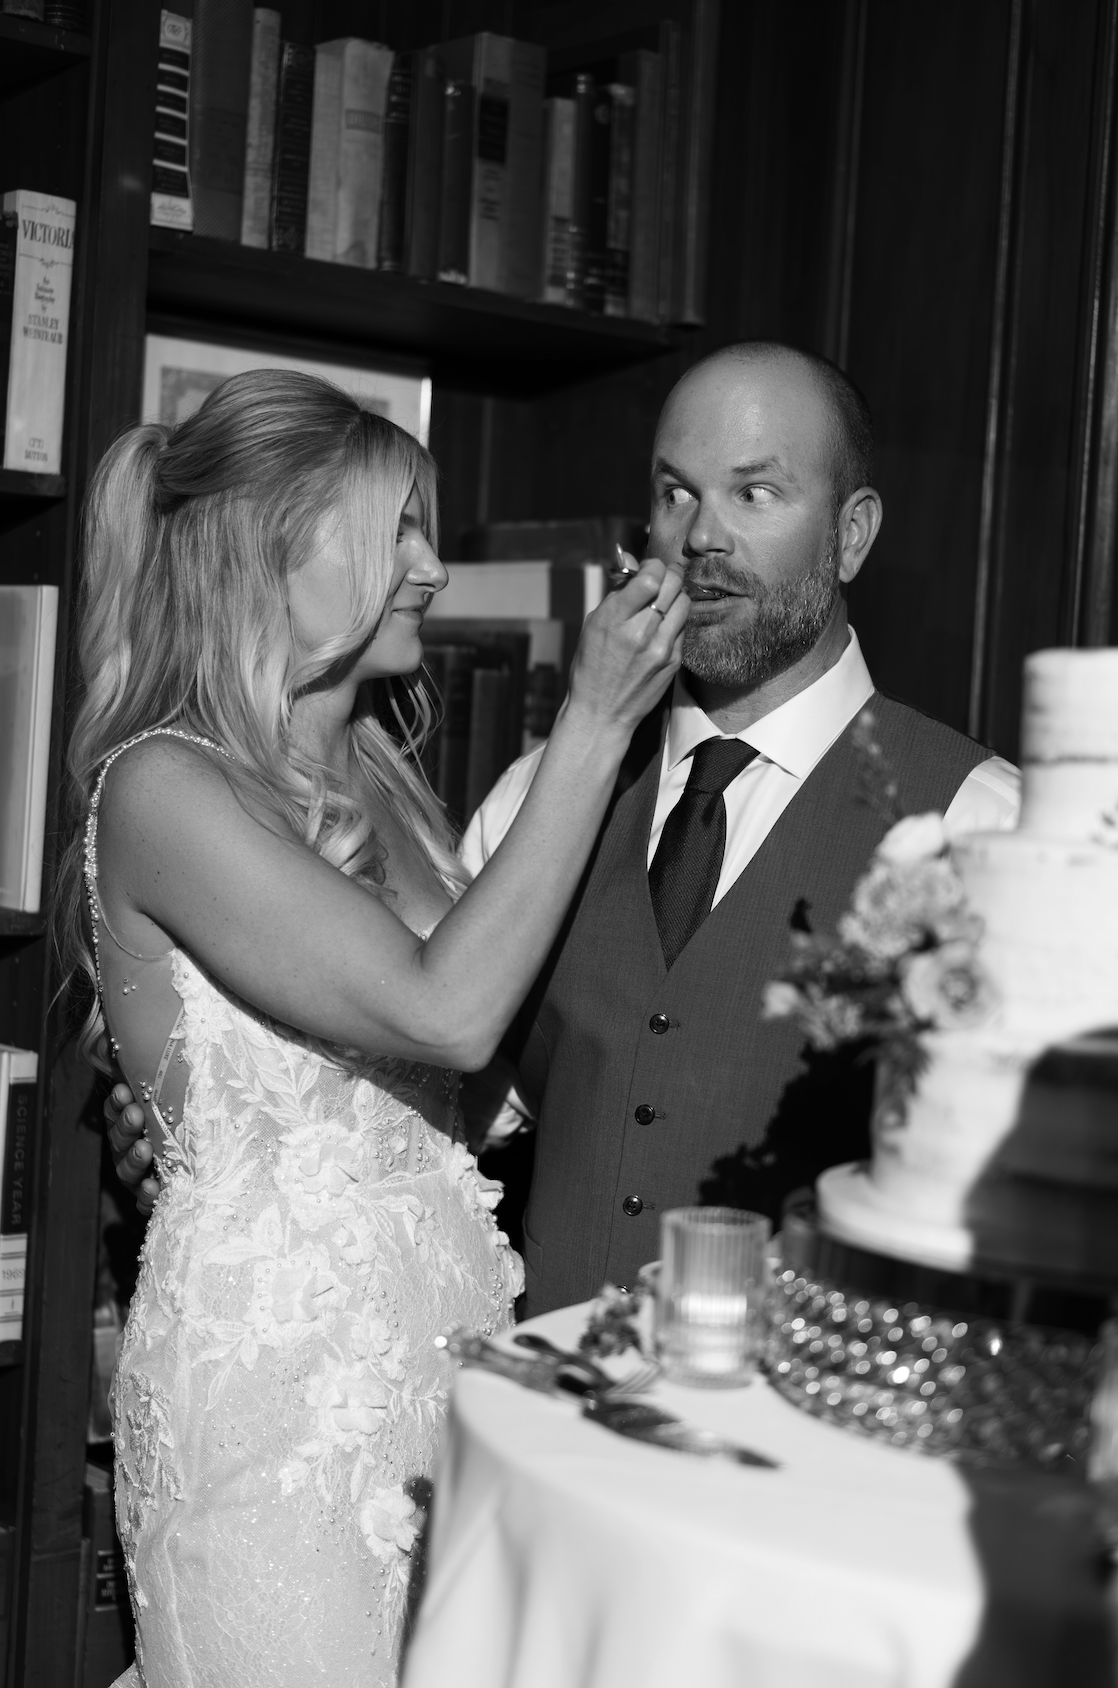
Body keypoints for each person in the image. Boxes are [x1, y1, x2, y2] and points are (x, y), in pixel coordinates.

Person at [108, 343, 1020, 1323]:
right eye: (675, 494)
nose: (701, 536)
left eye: (754, 494)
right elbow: (443, 1084)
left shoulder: (987, 833)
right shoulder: (532, 801)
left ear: (850, 535)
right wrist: (213, 1132)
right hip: (525, 1390)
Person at [61, 368, 687, 1687]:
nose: (431, 569)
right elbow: (445, 1014)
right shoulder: (160, 786)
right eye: (395, 529)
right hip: (276, 1416)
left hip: (444, 1380)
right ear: (269, 550)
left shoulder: (384, 783)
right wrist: (592, 719)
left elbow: (489, 1080)